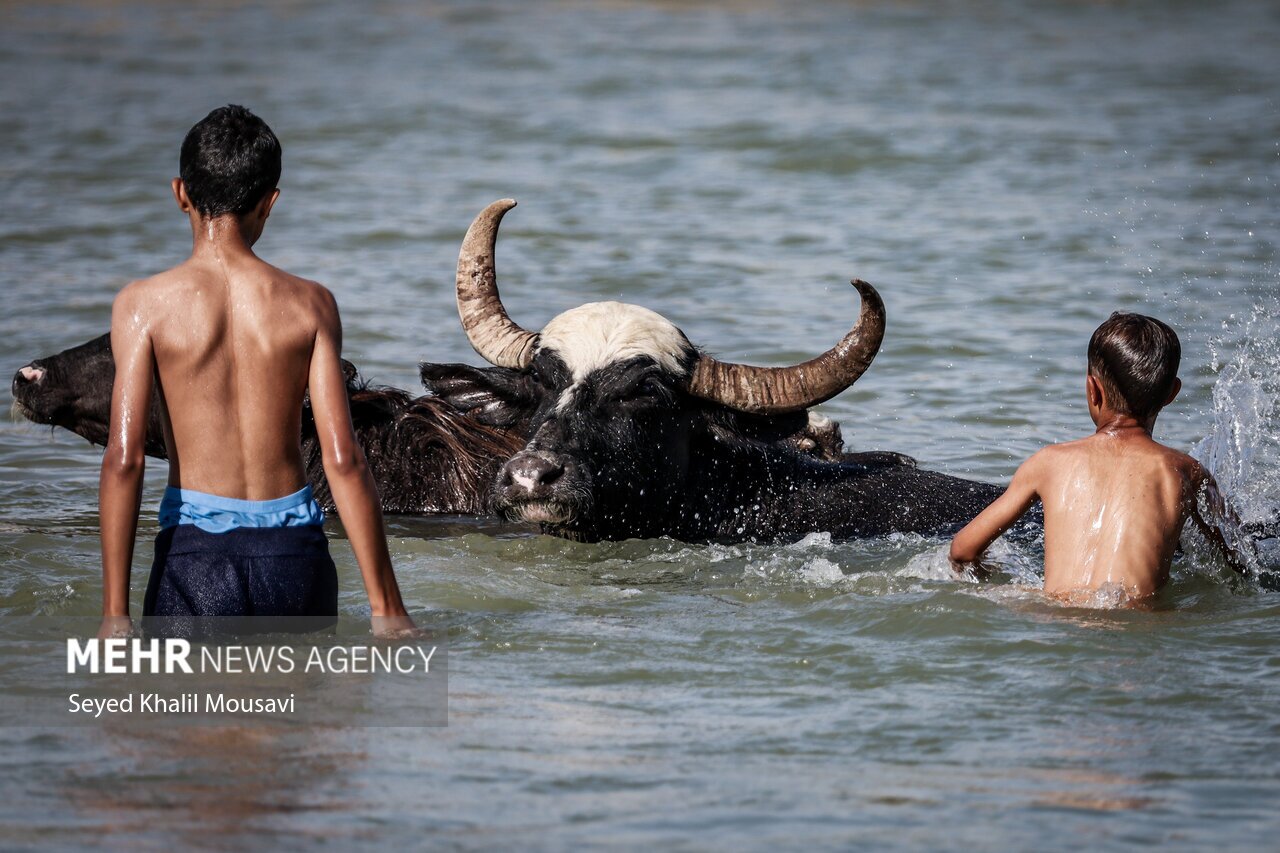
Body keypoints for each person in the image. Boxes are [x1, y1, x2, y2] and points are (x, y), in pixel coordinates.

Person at [98, 105, 415, 638]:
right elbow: (343, 460)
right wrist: (388, 609)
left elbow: (124, 459)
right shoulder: (311, 304)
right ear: (270, 203)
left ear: (180, 193)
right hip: (295, 563)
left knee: (192, 714)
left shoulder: (142, 305)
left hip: (194, 564)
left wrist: (114, 615)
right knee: (294, 712)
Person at [949, 311, 1248, 604]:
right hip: (1135, 635)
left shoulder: (1047, 463)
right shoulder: (1185, 472)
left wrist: (992, 578)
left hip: (1054, 623)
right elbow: (1242, 558)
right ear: (1172, 393)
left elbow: (962, 550)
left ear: (1093, 390)